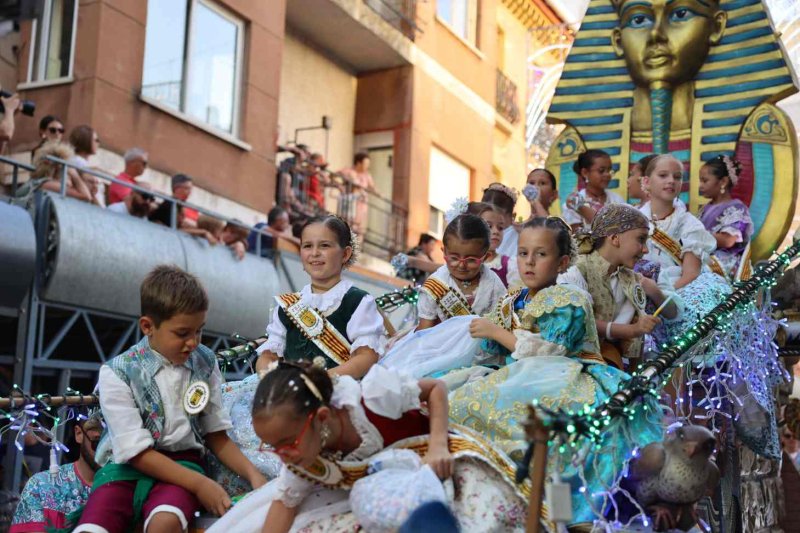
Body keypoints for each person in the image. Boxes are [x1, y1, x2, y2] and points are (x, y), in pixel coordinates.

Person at [449, 216, 663, 527]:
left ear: (562, 263)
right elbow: (497, 341)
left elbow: (548, 350)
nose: (529, 262)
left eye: (541, 254)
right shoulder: (516, 297)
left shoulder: (568, 298)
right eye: (523, 253)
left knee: (557, 441)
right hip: (524, 374)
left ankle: (561, 514)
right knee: (458, 395)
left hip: (563, 374)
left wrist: (496, 333)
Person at [206, 362, 528, 533]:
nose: (282, 456)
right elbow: (285, 503)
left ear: (320, 417)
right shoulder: (301, 454)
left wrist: (439, 446)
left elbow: (436, 389)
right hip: (385, 489)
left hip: (435, 461)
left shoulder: (372, 396)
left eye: (287, 443)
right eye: (272, 447)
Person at [73, 266, 266, 533]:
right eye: (182, 333)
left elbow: (215, 435)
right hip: (124, 470)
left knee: (166, 523)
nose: (193, 343)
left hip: (183, 464)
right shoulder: (117, 372)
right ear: (148, 326)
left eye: (199, 331)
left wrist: (255, 475)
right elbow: (135, 453)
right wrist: (201, 484)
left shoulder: (205, 363)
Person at [254, 215, 385, 377]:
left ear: (345, 254)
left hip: (338, 390)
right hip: (289, 390)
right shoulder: (286, 306)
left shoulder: (358, 302)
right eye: (307, 246)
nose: (314, 253)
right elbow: (268, 356)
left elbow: (366, 356)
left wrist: (320, 381)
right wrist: (272, 378)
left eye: (324, 245)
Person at [558, 204, 678, 369]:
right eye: (641, 239)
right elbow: (577, 320)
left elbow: (672, 312)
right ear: (614, 238)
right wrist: (631, 330)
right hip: (571, 360)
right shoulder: (576, 269)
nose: (645, 250)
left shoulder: (630, 278)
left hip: (610, 362)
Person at [10, 415, 103, 533]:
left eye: (114, 444)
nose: (107, 451)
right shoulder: (41, 486)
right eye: (97, 442)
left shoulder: (129, 488)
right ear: (79, 434)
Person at [416, 213, 506, 331]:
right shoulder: (435, 285)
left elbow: (502, 325)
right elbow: (423, 333)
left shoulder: (493, 284)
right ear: (444, 252)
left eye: (471, 260)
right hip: (440, 347)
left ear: (485, 257)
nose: (461, 265)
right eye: (454, 258)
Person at [698, 155, 753, 280]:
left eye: (705, 181)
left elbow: (728, 240)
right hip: (703, 259)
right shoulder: (705, 208)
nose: (700, 186)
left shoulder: (736, 208)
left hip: (723, 266)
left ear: (723, 181)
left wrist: (696, 235)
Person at [563, 149, 625, 231]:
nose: (607, 174)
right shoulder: (573, 201)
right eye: (601, 171)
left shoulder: (617, 200)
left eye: (609, 170)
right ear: (585, 173)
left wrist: (582, 208)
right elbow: (576, 237)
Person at [339, 152, 376, 235]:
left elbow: (372, 187)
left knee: (359, 228)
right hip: (350, 202)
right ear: (358, 163)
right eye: (366, 163)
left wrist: (378, 193)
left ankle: (357, 246)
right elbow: (334, 175)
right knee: (348, 225)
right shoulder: (348, 171)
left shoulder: (367, 175)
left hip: (361, 204)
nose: (367, 166)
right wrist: (340, 186)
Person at [67, 125, 103, 206]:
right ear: (85, 140)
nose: (99, 143)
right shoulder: (78, 162)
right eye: (96, 140)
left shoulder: (80, 161)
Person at [482, 182, 519, 258]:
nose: (495, 231)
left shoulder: (518, 239)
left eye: (500, 226)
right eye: (489, 225)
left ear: (512, 217)